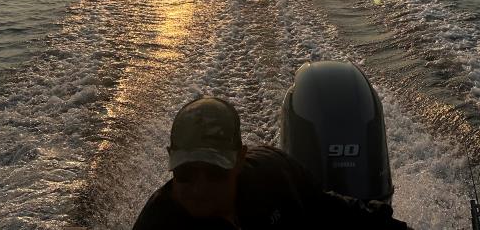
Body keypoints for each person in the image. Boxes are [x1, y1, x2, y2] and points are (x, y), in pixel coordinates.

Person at [132, 96, 410, 229]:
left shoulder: (276, 175)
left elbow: (334, 211)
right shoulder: (158, 225)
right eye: (185, 173)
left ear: (240, 160)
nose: (199, 187)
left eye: (216, 171)